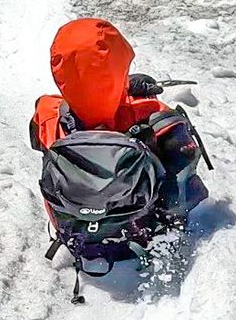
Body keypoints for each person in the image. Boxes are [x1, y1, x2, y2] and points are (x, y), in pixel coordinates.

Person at [30, 18, 208, 226]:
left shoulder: (46, 113)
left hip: (75, 235)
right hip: (141, 234)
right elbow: (180, 197)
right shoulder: (156, 116)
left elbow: (83, 92)